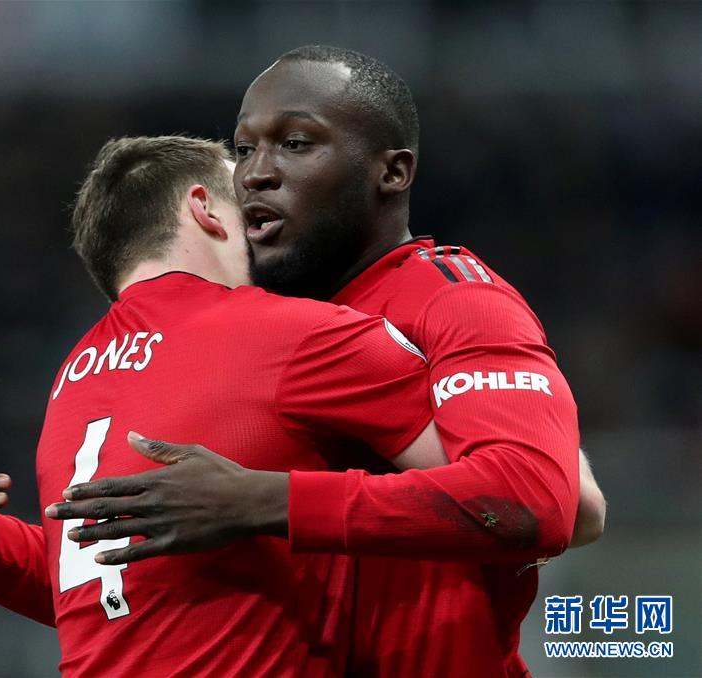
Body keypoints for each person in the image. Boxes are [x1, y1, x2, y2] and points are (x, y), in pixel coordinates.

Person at [50, 46, 606, 677]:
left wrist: (267, 500)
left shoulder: (453, 299)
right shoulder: (263, 331)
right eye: (243, 149)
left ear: (391, 172)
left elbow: (548, 505)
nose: (255, 174)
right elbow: (158, 595)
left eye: (295, 143)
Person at [0, 135, 453, 676]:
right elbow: (483, 493)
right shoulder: (292, 333)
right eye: (248, 201)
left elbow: (118, 591)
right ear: (204, 207)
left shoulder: (72, 376)